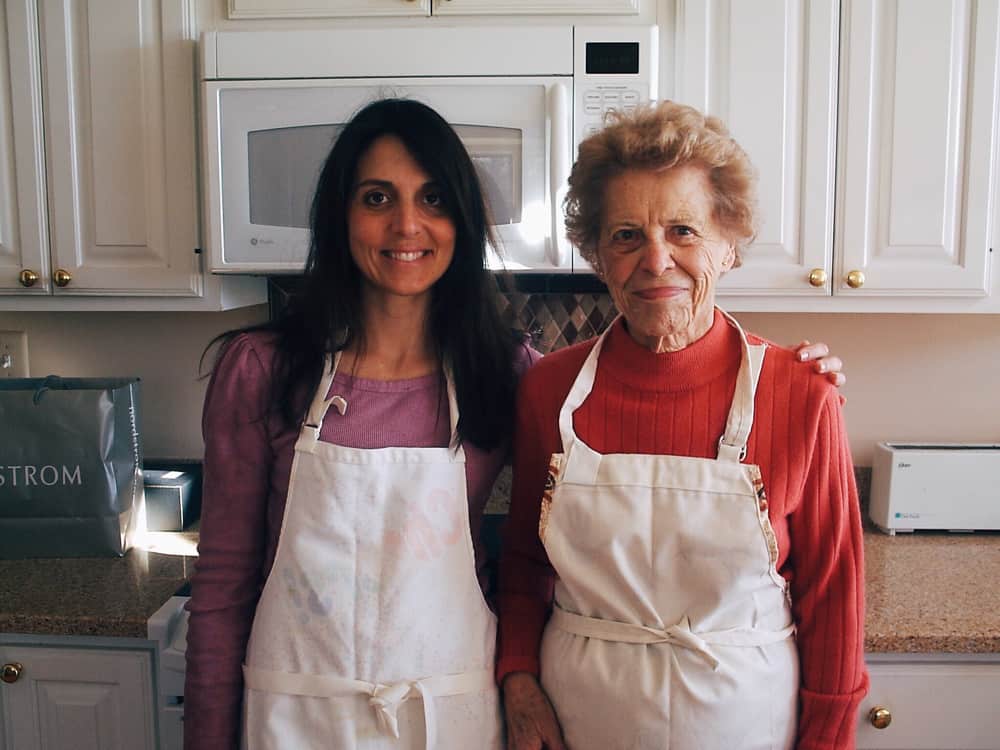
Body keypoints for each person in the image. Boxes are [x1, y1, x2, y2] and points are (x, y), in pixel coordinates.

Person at [185, 97, 846, 750]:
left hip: (451, 714)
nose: (407, 226)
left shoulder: (504, 371)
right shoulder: (269, 370)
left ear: (727, 244)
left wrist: (803, 382)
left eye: (435, 199)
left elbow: (829, 596)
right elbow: (222, 588)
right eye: (377, 198)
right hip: (297, 714)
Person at [497, 101, 868, 750]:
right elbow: (525, 564)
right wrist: (518, 683)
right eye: (626, 235)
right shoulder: (548, 392)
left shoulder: (803, 396)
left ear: (729, 246)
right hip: (581, 723)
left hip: (745, 726)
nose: (656, 260)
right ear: (596, 254)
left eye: (684, 231)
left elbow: (834, 596)